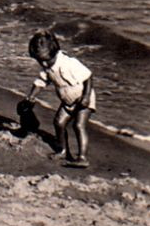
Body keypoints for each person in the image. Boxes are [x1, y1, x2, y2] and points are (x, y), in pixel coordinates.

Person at [23, 30, 96, 169]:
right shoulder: (47, 67)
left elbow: (88, 76)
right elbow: (40, 81)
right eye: (39, 61)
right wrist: (31, 96)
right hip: (67, 101)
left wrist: (86, 97)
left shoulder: (68, 63)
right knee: (58, 123)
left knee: (78, 126)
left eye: (44, 60)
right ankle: (62, 150)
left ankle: (82, 157)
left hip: (83, 98)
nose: (43, 64)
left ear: (54, 52)